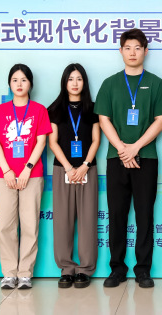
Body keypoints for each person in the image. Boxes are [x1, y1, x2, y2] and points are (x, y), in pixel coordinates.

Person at [95, 28, 162, 289]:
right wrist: (122, 149)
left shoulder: (157, 84)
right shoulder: (110, 84)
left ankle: (143, 270)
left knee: (144, 215)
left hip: (146, 158)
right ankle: (117, 269)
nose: (133, 52)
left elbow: (160, 121)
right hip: (116, 159)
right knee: (116, 215)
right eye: (127, 48)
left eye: (138, 47)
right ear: (120, 51)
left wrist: (135, 147)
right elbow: (103, 119)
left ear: (146, 51)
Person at [0, 64, 52, 290]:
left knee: (29, 224)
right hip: (3, 176)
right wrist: (7, 171)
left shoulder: (39, 110)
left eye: (24, 80)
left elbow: (41, 142)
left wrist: (27, 169)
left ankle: (25, 273)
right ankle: (9, 273)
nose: (19, 84)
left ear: (30, 84)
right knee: (5, 225)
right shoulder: (0, 110)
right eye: (15, 80)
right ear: (9, 83)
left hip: (32, 175)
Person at [47, 63, 101, 289]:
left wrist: (85, 165)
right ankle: (66, 269)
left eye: (79, 79)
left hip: (88, 169)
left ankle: (85, 269)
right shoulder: (54, 109)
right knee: (63, 221)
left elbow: (96, 140)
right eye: (71, 79)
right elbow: (52, 142)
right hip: (63, 170)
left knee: (88, 220)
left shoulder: (93, 109)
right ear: (64, 82)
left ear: (84, 82)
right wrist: (69, 167)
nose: (75, 83)